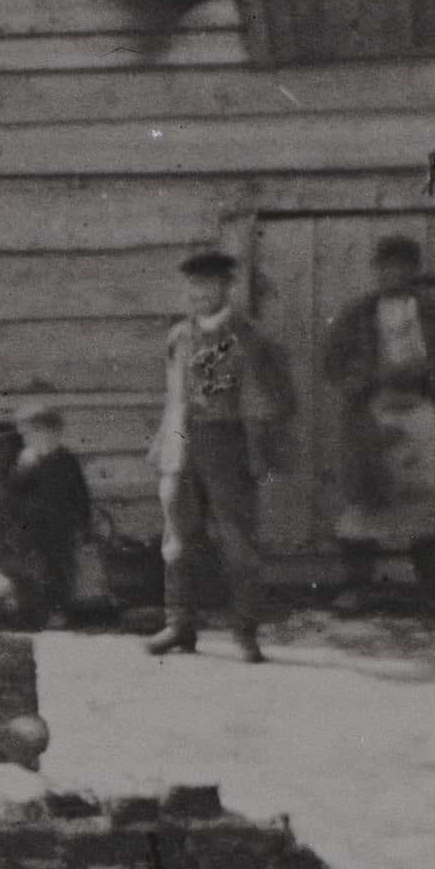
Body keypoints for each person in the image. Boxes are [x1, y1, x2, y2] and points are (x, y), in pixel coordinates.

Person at [318, 232, 435, 613]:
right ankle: (356, 588)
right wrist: (364, 378)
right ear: (376, 270)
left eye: (403, 267)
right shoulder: (358, 315)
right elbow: (334, 362)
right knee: (367, 500)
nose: (394, 274)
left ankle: (434, 590)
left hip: (420, 410)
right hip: (373, 412)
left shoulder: (430, 314)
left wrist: (431, 372)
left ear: (414, 271)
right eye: (387, 267)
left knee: (428, 501)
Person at [147, 244, 292, 662]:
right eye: (192, 285)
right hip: (182, 442)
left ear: (227, 287)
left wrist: (254, 436)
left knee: (237, 542)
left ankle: (245, 631)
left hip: (228, 444)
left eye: (207, 284)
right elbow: (174, 395)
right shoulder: (179, 336)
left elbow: (279, 399)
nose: (198, 293)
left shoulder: (250, 337)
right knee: (178, 537)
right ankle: (180, 624)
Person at [2, 407, 109, 633]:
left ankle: (58, 612)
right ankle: (33, 612)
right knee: (32, 570)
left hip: (60, 527)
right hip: (31, 528)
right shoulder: (25, 460)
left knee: (61, 570)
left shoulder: (66, 460)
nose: (26, 439)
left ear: (52, 433)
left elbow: (80, 493)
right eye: (24, 435)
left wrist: (84, 521)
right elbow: (13, 493)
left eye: (30, 434)